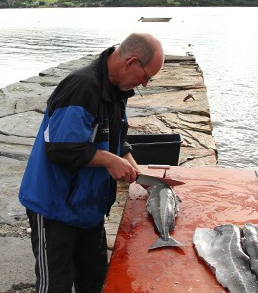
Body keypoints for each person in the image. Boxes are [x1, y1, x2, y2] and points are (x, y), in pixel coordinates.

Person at [18, 33, 164, 292]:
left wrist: (130, 163)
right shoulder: (81, 87)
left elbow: (118, 137)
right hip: (54, 207)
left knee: (95, 281)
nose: (145, 84)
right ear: (130, 62)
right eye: (146, 77)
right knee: (55, 285)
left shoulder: (118, 90)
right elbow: (60, 150)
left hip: (88, 210)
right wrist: (109, 160)